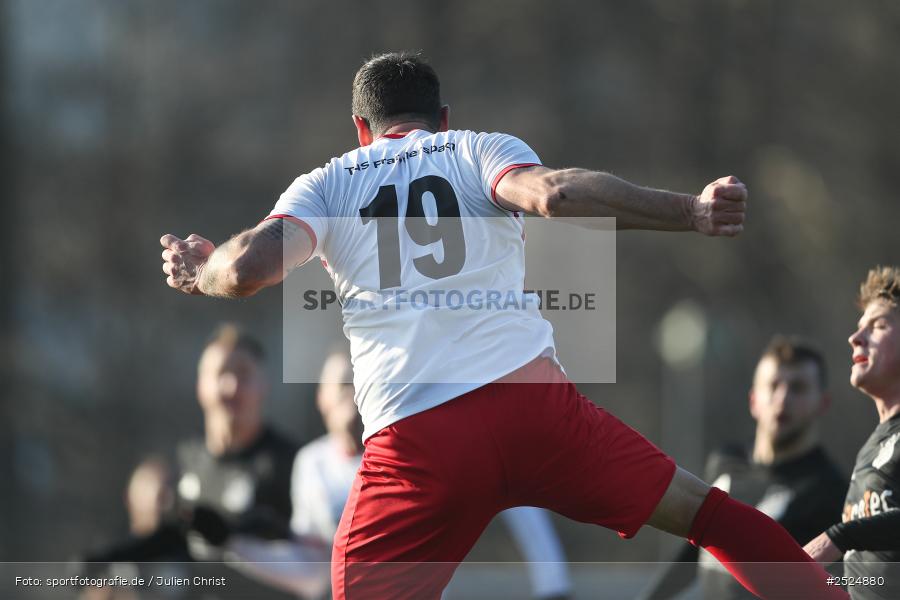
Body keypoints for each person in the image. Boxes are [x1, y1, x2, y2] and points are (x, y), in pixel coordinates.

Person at [159, 52, 846, 599]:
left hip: (417, 441)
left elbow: (248, 268)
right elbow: (555, 193)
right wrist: (689, 211)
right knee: (706, 512)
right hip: (535, 412)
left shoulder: (329, 182)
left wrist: (203, 268)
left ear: (360, 129)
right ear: (443, 116)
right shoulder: (472, 149)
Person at [232, 350, 573, 599]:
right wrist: (241, 544)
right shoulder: (311, 462)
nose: (349, 397)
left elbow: (514, 497)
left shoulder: (418, 452)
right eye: (341, 385)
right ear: (321, 398)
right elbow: (311, 557)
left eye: (358, 383)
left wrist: (553, 587)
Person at [82, 324, 302, 600]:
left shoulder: (291, 464)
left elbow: (309, 555)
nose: (231, 386)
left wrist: (237, 533)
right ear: (201, 385)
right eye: (221, 373)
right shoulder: (185, 461)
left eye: (244, 375)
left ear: (264, 386)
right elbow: (165, 539)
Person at [638, 335, 847, 599]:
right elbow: (696, 544)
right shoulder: (724, 461)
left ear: (822, 403)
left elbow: (838, 583)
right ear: (753, 400)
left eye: (798, 388)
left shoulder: (829, 491)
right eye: (773, 386)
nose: (783, 398)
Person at [804, 266, 900, 599]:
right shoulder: (870, 448)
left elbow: (848, 539)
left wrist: (838, 537)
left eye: (879, 325)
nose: (855, 338)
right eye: (860, 327)